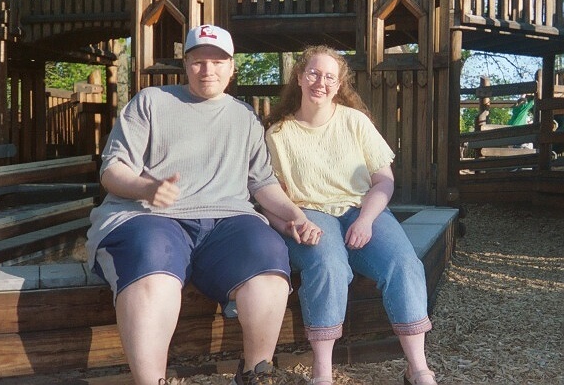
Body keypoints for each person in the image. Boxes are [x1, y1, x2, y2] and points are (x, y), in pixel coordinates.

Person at [85, 24, 321, 385]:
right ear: (186, 65)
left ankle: (257, 373)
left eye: (217, 61)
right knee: (153, 268)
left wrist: (295, 215)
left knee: (269, 262)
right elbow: (112, 170)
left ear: (231, 68)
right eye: (198, 61)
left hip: (226, 219)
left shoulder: (244, 116)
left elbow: (261, 181)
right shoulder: (151, 101)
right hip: (150, 215)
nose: (207, 69)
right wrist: (146, 187)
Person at [262, 45, 438, 385]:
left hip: (362, 208)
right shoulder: (279, 135)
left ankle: (417, 368)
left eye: (330, 76)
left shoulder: (354, 121)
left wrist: (366, 220)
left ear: (339, 83)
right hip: (311, 214)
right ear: (299, 77)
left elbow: (384, 180)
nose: (320, 82)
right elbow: (270, 199)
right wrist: (291, 224)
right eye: (313, 73)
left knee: (403, 263)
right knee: (329, 266)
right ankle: (323, 372)